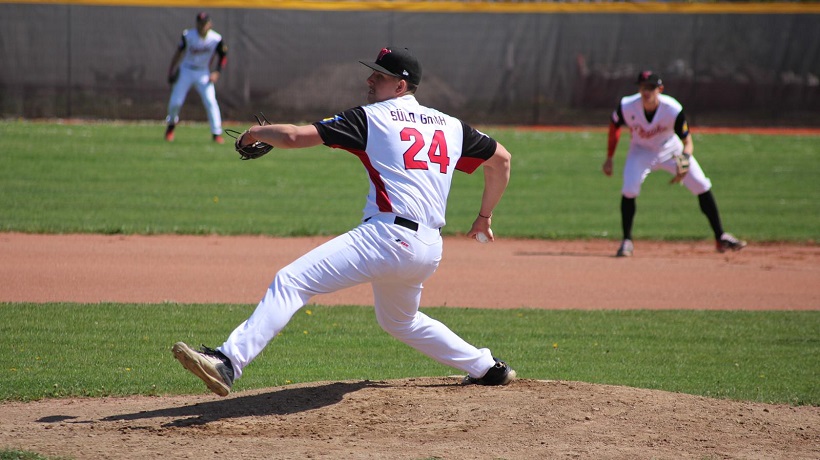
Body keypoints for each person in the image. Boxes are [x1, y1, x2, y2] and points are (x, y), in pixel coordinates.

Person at [172, 47, 516, 396]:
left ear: (400, 86)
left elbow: (294, 136)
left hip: (387, 237)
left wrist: (254, 133)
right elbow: (502, 160)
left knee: (292, 281)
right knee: (400, 320)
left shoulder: (374, 116)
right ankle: (486, 368)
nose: (369, 80)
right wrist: (483, 217)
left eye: (379, 76)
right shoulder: (451, 125)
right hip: (428, 249)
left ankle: (227, 361)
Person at [602, 71, 747, 257]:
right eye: (642, 87)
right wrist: (609, 157)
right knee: (629, 189)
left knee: (701, 184)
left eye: (651, 87)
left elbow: (688, 142)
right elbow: (614, 126)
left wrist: (685, 159)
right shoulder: (627, 106)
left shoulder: (672, 109)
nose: (646, 92)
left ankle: (721, 236)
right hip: (640, 152)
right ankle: (627, 240)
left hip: (670, 150)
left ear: (660, 89)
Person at [164, 12, 227, 144]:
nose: (202, 26)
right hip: (186, 70)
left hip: (203, 73)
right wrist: (171, 70)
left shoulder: (216, 38)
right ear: (196, 24)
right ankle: (171, 127)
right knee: (176, 102)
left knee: (210, 102)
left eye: (205, 23)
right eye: (200, 23)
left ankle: (217, 133)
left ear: (210, 24)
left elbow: (223, 56)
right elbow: (178, 53)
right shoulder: (188, 35)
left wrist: (217, 72)